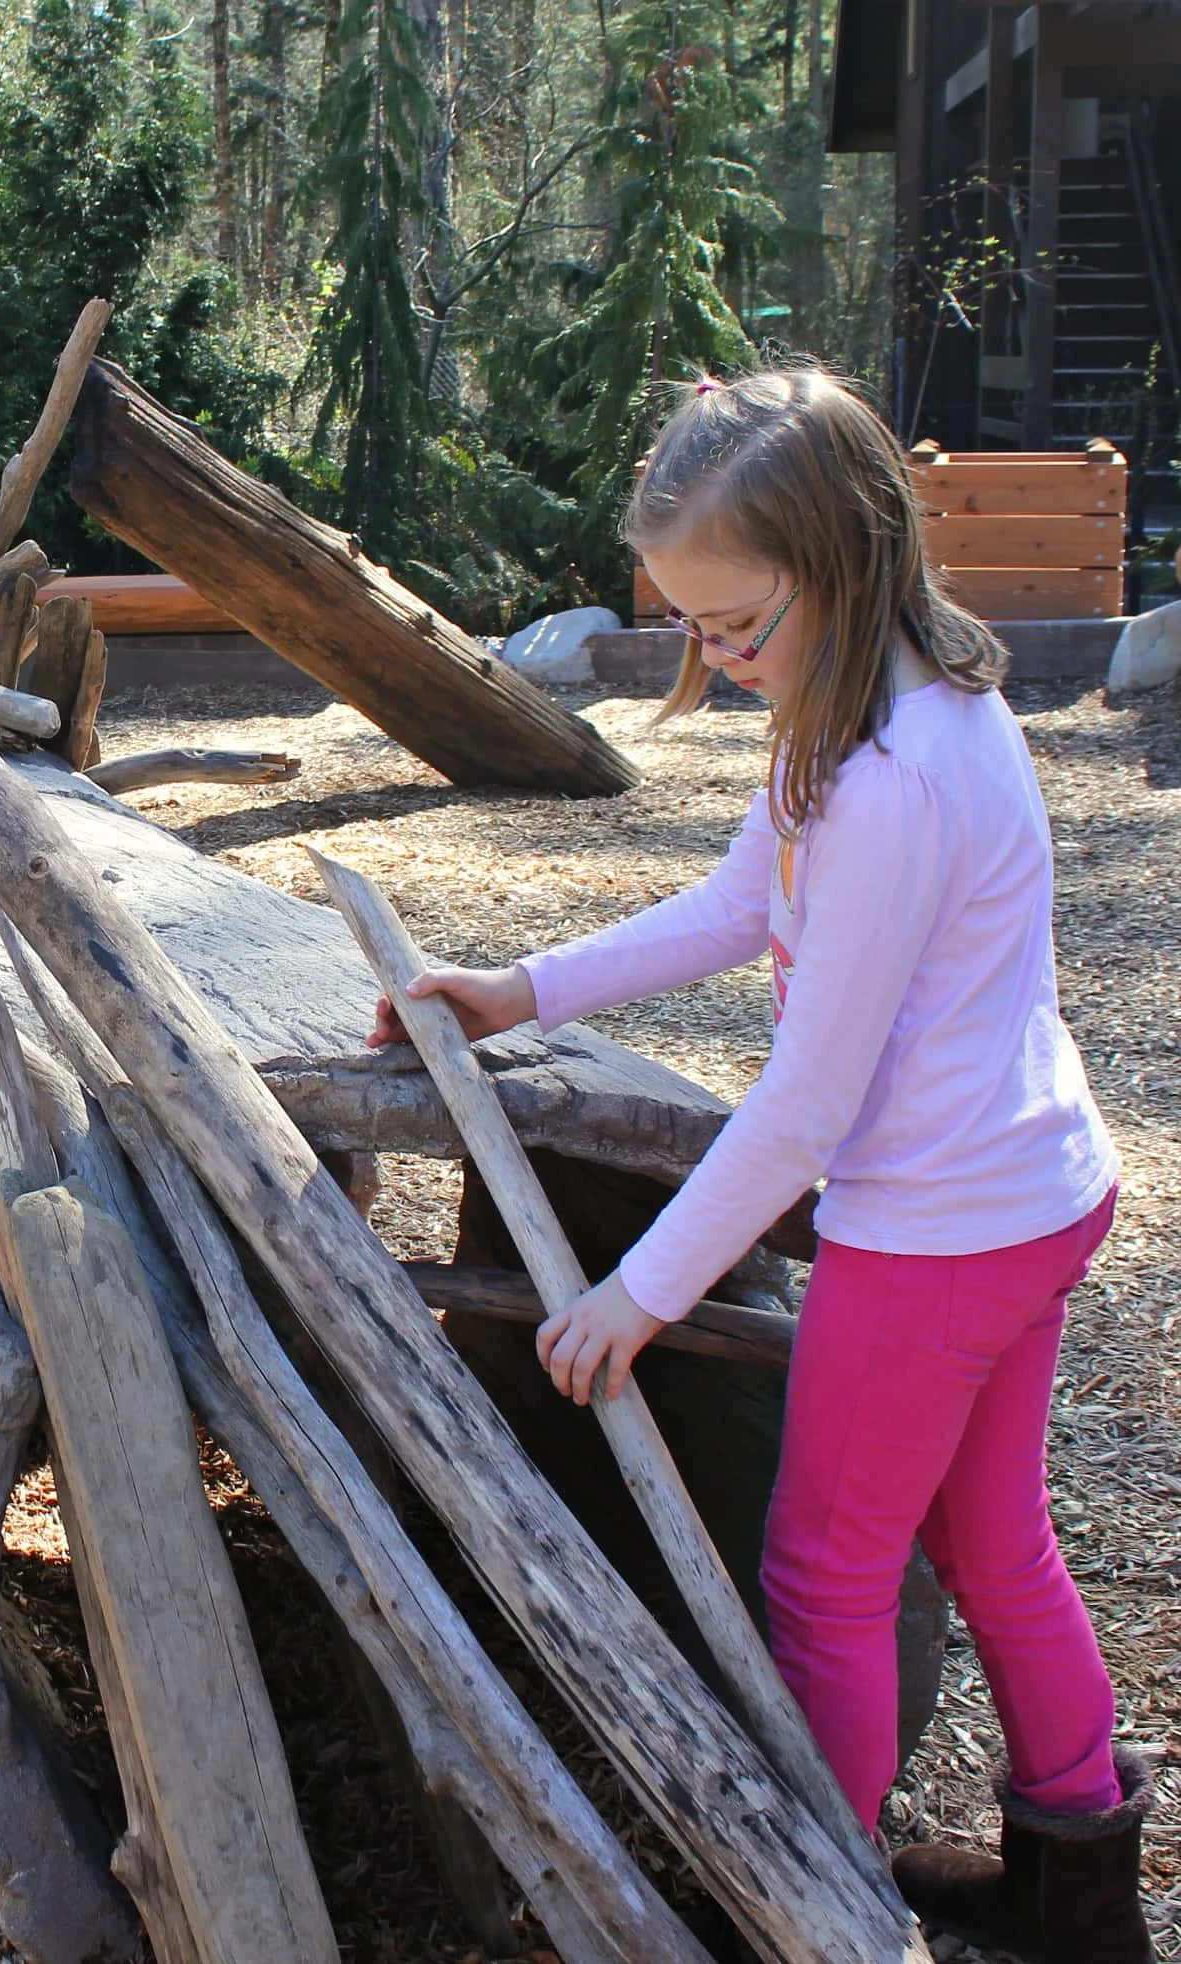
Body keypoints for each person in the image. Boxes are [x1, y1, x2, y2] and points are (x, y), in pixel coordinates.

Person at [375, 367, 1154, 1960]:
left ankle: (826, 1904)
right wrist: (524, 988)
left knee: (822, 1571)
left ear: (849, 559)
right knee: (990, 1540)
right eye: (691, 628)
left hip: (937, 1232)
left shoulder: (891, 782)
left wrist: (636, 1294)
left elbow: (803, 1108)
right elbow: (737, 906)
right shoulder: (871, 709)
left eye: (739, 625)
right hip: (1030, 1189)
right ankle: (1081, 1898)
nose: (716, 662)